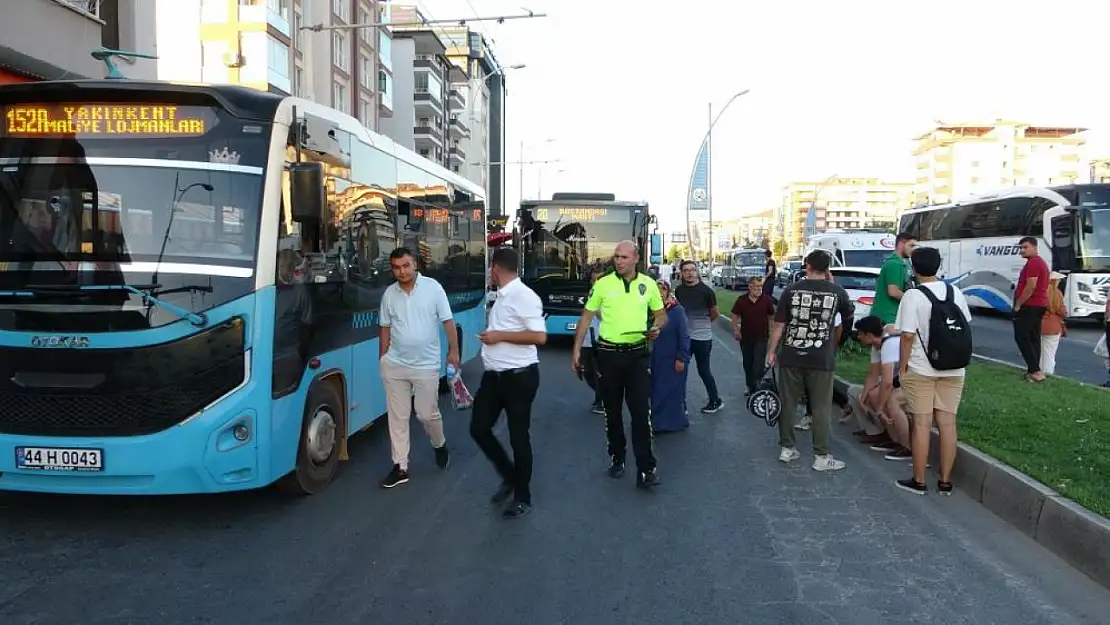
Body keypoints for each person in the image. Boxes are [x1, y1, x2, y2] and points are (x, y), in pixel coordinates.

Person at [571, 240, 667, 489]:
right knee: (612, 412)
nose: (619, 261)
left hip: (637, 356)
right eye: (616, 256)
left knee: (639, 414)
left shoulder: (648, 285)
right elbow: (586, 317)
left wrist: (656, 327)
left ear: (636, 258)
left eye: (624, 257)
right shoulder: (602, 284)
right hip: (608, 356)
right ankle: (617, 457)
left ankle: (646, 469)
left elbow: (661, 315)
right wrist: (576, 351)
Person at [469, 248, 546, 520]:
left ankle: (522, 497)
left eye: (491, 267)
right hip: (494, 377)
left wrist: (499, 335)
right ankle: (511, 475)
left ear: (496, 268)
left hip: (519, 377)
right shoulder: (501, 296)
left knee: (518, 437)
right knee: (478, 428)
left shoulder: (524, 296)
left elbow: (539, 336)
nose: (490, 271)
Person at [378, 248, 459, 489]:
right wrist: (382, 357)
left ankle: (439, 444)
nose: (401, 271)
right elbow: (384, 326)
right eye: (396, 267)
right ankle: (400, 466)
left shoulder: (433, 288)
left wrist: (453, 352)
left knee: (426, 414)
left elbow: (447, 321)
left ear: (415, 265)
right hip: (395, 366)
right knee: (397, 417)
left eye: (405, 266)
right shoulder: (389, 295)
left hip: (426, 365)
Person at [766, 250, 854, 471]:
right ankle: (821, 456)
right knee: (821, 407)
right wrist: (838, 342)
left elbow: (779, 325)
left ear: (807, 266)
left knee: (788, 403)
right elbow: (848, 316)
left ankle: (787, 449)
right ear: (827, 270)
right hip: (821, 357)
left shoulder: (791, 290)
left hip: (791, 355)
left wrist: (771, 351)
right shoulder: (837, 292)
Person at [894, 246, 972, 495]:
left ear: (914, 268)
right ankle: (945, 481)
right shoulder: (955, 292)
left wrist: (902, 367)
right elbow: (965, 325)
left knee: (922, 423)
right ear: (938, 266)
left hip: (921, 368)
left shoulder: (913, 296)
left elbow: (906, 336)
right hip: (954, 368)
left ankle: (919, 480)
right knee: (948, 424)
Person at [852, 315, 912, 461]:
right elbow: (873, 375)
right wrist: (863, 398)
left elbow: (887, 383)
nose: (858, 337)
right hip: (901, 379)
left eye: (860, 333)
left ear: (869, 335)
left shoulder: (889, 344)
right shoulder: (876, 345)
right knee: (873, 395)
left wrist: (879, 409)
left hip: (915, 378)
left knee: (890, 400)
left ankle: (906, 447)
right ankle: (893, 439)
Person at [675, 260, 723, 413]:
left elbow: (715, 313)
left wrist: (702, 324)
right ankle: (680, 404)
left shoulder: (707, 292)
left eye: (692, 270)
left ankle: (715, 400)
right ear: (681, 273)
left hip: (702, 339)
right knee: (680, 371)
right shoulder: (679, 291)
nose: (689, 273)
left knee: (704, 370)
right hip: (684, 339)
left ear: (697, 272)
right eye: (686, 270)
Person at [650, 279, 691, 433]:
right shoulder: (651, 310)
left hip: (672, 359)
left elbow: (684, 336)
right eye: (656, 290)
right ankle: (658, 422)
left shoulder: (676, 311)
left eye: (662, 290)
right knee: (656, 391)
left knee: (669, 391)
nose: (660, 293)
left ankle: (670, 424)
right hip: (655, 359)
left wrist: (682, 358)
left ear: (668, 292)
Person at [1013, 236, 1049, 382]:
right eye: (1020, 248)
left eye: (1025, 247)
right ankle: (1033, 370)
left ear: (1035, 247)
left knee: (1021, 336)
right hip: (1039, 305)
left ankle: (1035, 371)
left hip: (1030, 305)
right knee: (1034, 338)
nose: (1022, 250)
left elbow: (1031, 286)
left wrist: (1018, 304)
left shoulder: (1034, 263)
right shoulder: (1039, 263)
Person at [730, 276, 774, 395]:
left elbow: (771, 317)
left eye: (761, 286)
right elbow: (735, 315)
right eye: (757, 286)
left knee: (759, 363)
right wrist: (735, 329)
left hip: (762, 336)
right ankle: (750, 385)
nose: (759, 289)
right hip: (746, 337)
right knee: (748, 362)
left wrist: (771, 332)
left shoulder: (767, 300)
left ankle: (757, 386)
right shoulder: (742, 300)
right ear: (750, 287)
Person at [870, 232, 917, 324]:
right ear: (901, 244)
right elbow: (893, 292)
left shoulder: (900, 263)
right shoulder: (894, 264)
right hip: (888, 317)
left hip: (890, 315)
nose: (913, 249)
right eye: (911, 246)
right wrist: (913, 301)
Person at [579, 268, 605, 415]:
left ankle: (602, 401)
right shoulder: (591, 295)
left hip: (602, 339)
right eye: (593, 280)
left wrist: (594, 305)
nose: (595, 283)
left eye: (599, 279)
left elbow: (605, 318)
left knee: (599, 373)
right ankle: (602, 396)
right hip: (588, 339)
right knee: (588, 372)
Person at [1039, 271, 1067, 376]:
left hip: (1040, 324)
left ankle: (1038, 370)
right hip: (1054, 326)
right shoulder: (1057, 293)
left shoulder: (1041, 291)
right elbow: (1062, 311)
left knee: (1040, 350)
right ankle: (1048, 372)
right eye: (1058, 280)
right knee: (1050, 352)